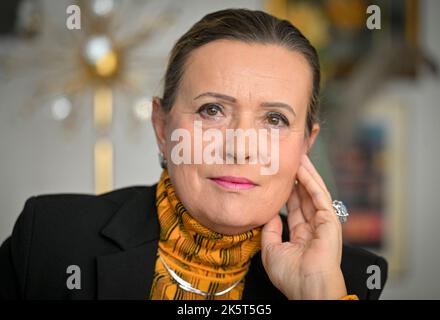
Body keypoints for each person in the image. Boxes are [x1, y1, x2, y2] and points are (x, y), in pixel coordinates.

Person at [0, 8, 387, 300]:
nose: (240, 147)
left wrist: (319, 292)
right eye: (212, 110)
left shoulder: (347, 279)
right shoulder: (50, 239)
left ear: (306, 143)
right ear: (162, 127)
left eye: (274, 119)